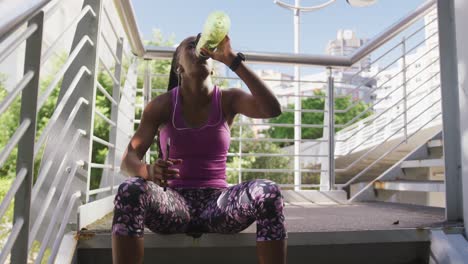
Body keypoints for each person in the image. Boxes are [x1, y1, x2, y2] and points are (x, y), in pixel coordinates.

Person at [112, 34, 287, 264]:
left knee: (269, 191)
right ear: (179, 67)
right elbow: (129, 159)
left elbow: (271, 110)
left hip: (218, 205)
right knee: (130, 188)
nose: (200, 48)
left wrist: (233, 60)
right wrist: (147, 171)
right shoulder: (162, 105)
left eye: (206, 46)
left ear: (213, 67)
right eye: (192, 46)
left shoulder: (228, 100)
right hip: (173, 203)